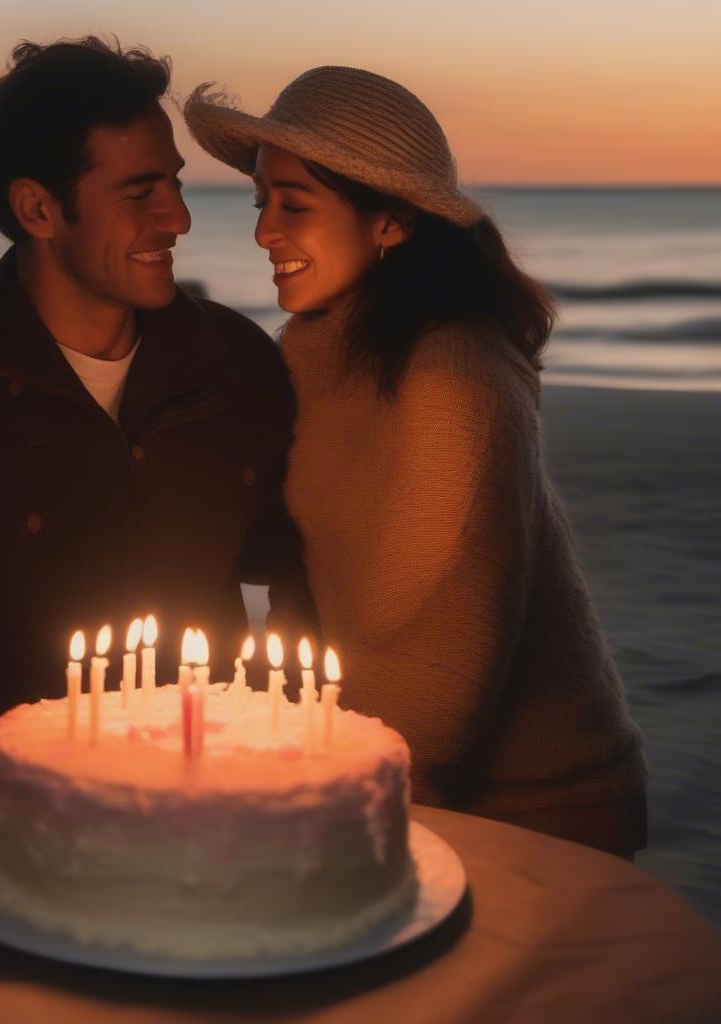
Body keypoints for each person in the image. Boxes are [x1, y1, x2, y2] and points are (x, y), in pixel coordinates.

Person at [0, 38, 312, 813]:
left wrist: (291, 739)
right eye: (139, 193)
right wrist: (48, 818)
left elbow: (309, 561)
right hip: (4, 834)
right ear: (38, 208)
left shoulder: (233, 364)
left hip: (217, 812)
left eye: (176, 185)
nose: (178, 218)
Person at [185, 67, 648, 856]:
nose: (264, 231)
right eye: (261, 202)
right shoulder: (311, 350)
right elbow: (282, 543)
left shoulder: (452, 384)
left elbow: (435, 687)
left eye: (295, 203)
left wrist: (281, 787)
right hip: (391, 775)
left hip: (532, 811)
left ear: (391, 222)